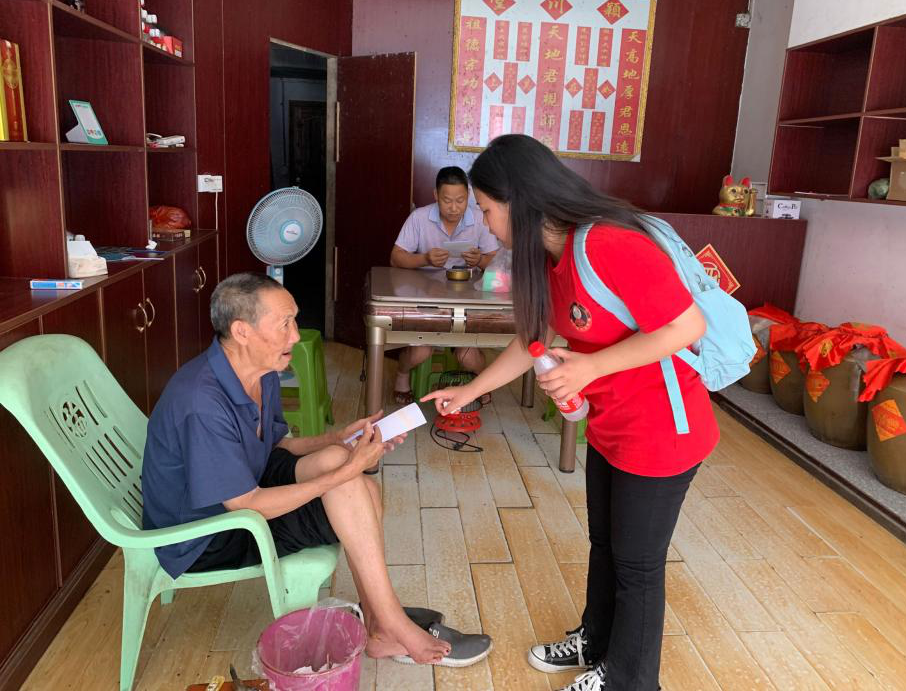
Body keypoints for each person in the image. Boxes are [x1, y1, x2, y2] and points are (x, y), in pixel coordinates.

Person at [424, 135, 719, 691]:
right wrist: (469, 392)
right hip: (612, 425)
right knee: (605, 546)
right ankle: (596, 641)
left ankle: (629, 681)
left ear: (518, 200)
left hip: (662, 429)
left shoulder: (610, 244)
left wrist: (589, 368)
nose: (485, 222)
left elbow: (686, 327)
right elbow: (532, 339)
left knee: (637, 565)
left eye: (486, 209)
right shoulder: (551, 257)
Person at [142, 272, 491, 668]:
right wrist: (345, 471)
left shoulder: (259, 371)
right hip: (205, 534)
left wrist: (338, 439)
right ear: (242, 331)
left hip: (244, 483)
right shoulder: (202, 403)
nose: (295, 335)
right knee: (347, 483)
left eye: (294, 320)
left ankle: (380, 622)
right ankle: (389, 622)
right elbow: (246, 505)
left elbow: (276, 445)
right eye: (284, 324)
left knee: (339, 463)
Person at [390, 166, 499, 403]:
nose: (454, 207)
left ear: (468, 197)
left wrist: (479, 260)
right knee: (420, 351)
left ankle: (481, 383)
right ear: (435, 195)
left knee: (468, 356)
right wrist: (424, 259)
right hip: (425, 298)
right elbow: (396, 257)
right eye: (447, 200)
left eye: (460, 200)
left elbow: (497, 261)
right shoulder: (419, 218)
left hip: (467, 300)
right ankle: (402, 375)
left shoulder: (479, 219)